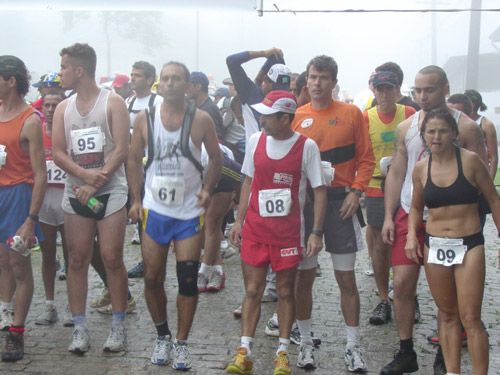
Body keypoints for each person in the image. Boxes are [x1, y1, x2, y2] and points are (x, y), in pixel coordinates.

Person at [380, 65, 487, 375]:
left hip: (455, 223)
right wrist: (389, 215)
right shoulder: (407, 127)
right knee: (401, 284)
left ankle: (445, 355)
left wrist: (474, 231)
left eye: (429, 90)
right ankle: (406, 351)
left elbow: (481, 182)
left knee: (456, 305)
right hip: (411, 212)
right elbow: (398, 171)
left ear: (444, 88)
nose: (423, 96)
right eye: (418, 90)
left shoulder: (465, 128)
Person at [127, 61, 222, 370]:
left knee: (187, 279)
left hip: (188, 213)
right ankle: (162, 335)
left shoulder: (202, 119)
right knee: (152, 277)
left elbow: (218, 161)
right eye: (165, 79)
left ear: (186, 84)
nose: (169, 84)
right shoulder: (145, 119)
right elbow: (132, 159)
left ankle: (181, 342)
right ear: (159, 85)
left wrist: (208, 189)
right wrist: (135, 199)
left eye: (175, 79)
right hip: (155, 210)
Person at [226, 90, 326, 375]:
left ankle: (282, 352)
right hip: (256, 229)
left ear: (285, 118)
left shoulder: (307, 147)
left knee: (284, 291)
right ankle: (244, 350)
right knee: (253, 290)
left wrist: (316, 232)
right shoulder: (256, 140)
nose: (261, 119)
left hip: (288, 233)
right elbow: (247, 181)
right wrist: (238, 220)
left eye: (268, 116)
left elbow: (319, 191)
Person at [292, 55, 375, 373]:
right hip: (308, 204)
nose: (317, 83)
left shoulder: (352, 113)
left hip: (341, 202)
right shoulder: (297, 116)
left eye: (323, 77)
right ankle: (306, 343)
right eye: (312, 77)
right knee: (304, 278)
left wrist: (356, 191)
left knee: (346, 278)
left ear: (333, 81)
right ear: (307, 80)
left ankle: (353, 346)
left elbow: (366, 159)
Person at [406, 108, 499, 374]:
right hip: (436, 245)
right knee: (447, 315)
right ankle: (452, 371)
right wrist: (412, 236)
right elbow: (415, 208)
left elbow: (493, 199)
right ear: (423, 135)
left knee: (470, 318)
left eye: (443, 130)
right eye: (431, 131)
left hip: (468, 244)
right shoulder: (421, 168)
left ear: (454, 134)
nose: (437, 136)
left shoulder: (470, 161)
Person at [52, 43, 130, 354]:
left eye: (64, 68)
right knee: (76, 258)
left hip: (110, 191)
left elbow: (122, 149)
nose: (61, 74)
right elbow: (58, 152)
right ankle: (80, 327)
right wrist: (84, 178)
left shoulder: (113, 102)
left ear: (79, 70)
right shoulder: (62, 108)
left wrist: (97, 180)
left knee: (111, 257)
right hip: (77, 193)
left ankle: (119, 324)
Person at [0, 55, 47, 361]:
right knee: (2, 261)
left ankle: (17, 332)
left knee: (19, 264)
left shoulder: (31, 119)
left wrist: (31, 219)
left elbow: (40, 174)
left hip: (19, 195)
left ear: (11, 81)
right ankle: (5, 316)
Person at [363, 71, 416, 326]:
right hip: (375, 186)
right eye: (380, 89)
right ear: (374, 89)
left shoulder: (408, 114)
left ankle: (408, 295)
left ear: (397, 91)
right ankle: (384, 298)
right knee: (380, 246)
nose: (385, 94)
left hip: (405, 184)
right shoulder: (366, 117)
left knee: (407, 241)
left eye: (389, 89)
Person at [125, 60, 163, 273]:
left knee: (152, 213)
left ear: (149, 79)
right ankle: (145, 258)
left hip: (154, 167)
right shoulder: (127, 102)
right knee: (136, 210)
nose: (132, 79)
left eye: (137, 75)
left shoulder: (159, 102)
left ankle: (153, 258)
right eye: (132, 74)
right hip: (132, 166)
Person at [35, 91, 69, 326]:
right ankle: (49, 306)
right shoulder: (36, 133)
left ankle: (71, 307)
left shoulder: (68, 132)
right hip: (45, 202)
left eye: (54, 105)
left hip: (67, 201)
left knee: (73, 258)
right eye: (46, 105)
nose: (49, 109)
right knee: (48, 256)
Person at [464, 89, 498, 180]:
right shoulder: (459, 122)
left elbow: (493, 157)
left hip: (480, 173)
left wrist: (490, 182)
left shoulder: (486, 125)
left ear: (472, 104)